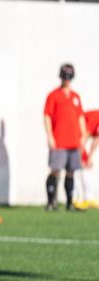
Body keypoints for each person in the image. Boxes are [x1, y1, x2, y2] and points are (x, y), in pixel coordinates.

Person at [43, 63, 87, 211]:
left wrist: (83, 136)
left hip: (74, 141)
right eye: (64, 77)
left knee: (71, 172)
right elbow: (47, 116)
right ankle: (50, 202)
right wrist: (50, 136)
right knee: (55, 170)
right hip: (59, 140)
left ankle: (69, 203)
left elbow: (80, 117)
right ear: (60, 77)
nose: (66, 80)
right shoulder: (53, 95)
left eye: (69, 77)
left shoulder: (76, 97)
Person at [73, 109, 99, 209]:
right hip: (74, 137)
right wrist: (79, 157)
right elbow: (83, 137)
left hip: (80, 140)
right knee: (77, 168)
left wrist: (89, 157)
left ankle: (88, 198)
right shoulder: (96, 117)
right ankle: (76, 199)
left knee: (86, 167)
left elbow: (97, 139)